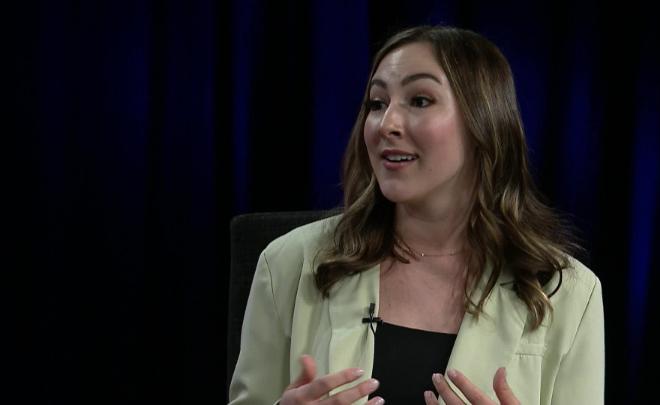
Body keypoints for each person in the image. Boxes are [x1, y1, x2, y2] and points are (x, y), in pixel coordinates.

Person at [228, 25, 604, 405]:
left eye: (420, 100)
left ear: (484, 121)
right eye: (377, 103)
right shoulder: (287, 263)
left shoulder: (568, 293)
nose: (386, 124)